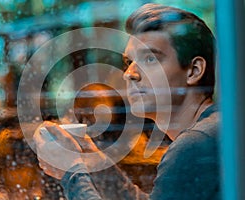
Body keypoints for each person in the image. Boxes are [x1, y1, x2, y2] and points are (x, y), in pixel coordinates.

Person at [33, 3, 220, 200]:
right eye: (128, 62)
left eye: (150, 59)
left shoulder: (195, 144)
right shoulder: (211, 130)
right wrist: (93, 159)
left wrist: (72, 172)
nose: (129, 74)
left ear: (194, 70)